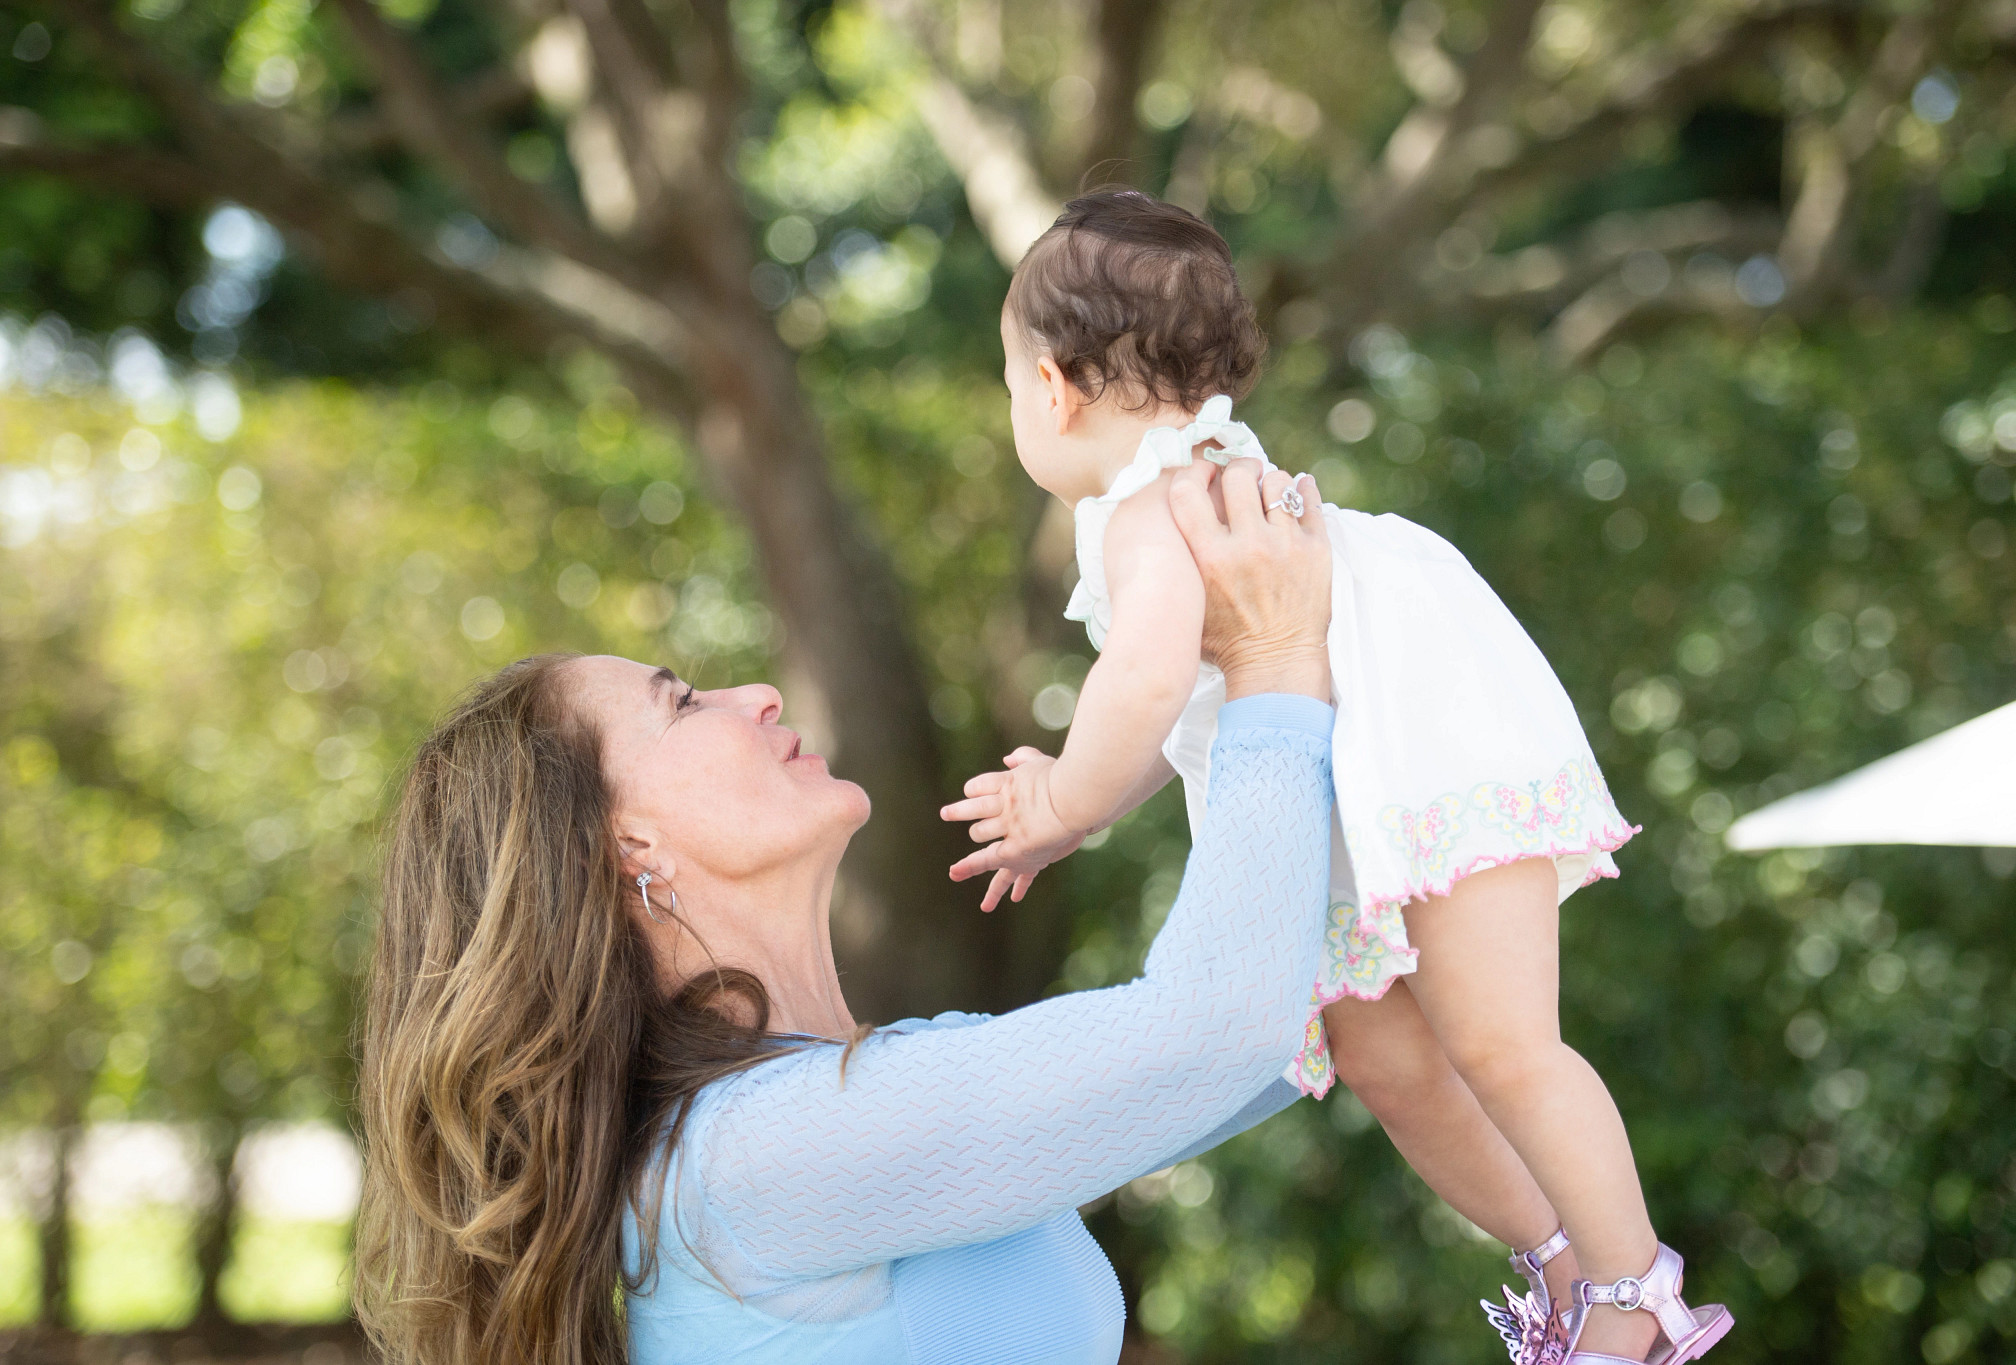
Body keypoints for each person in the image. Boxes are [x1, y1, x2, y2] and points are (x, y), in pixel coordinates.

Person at [945, 187, 1731, 1365]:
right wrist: (1083, 805)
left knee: (1499, 1038)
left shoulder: (1140, 514)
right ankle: (1555, 1263)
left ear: (1049, 387)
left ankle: (1633, 1294)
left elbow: (1150, 681)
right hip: (1369, 756)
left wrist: (1062, 798)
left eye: (1009, 384)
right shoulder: (1199, 472)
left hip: (1417, 737)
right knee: (1376, 1047)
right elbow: (1195, 708)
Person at [352, 455, 1337, 1364]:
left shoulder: (814, 1118)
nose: (761, 696)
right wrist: (1272, 656)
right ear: (623, 850)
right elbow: (1221, 1031)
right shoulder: (741, 1162)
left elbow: (1290, 1017)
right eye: (686, 703)